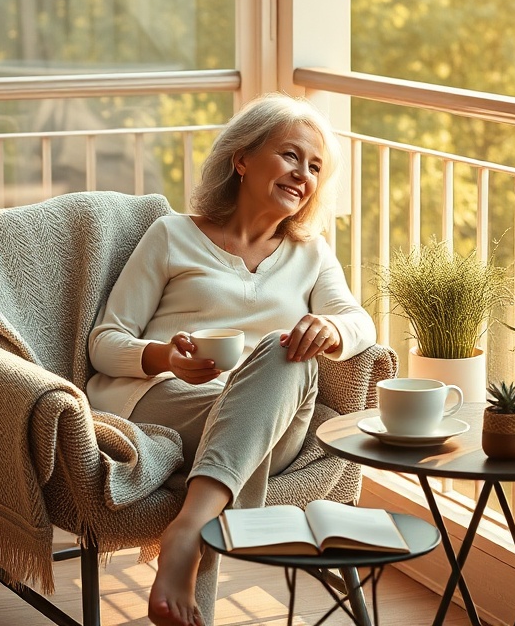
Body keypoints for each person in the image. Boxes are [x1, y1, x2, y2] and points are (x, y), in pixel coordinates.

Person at [86, 93, 377, 626]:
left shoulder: (312, 253)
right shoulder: (172, 235)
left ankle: (184, 531)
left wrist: (330, 327)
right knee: (275, 363)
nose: (302, 175)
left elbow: (362, 325)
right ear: (242, 159)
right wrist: (163, 358)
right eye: (290, 156)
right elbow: (104, 340)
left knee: (286, 351)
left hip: (267, 421)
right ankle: (195, 535)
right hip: (167, 403)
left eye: (315, 167)